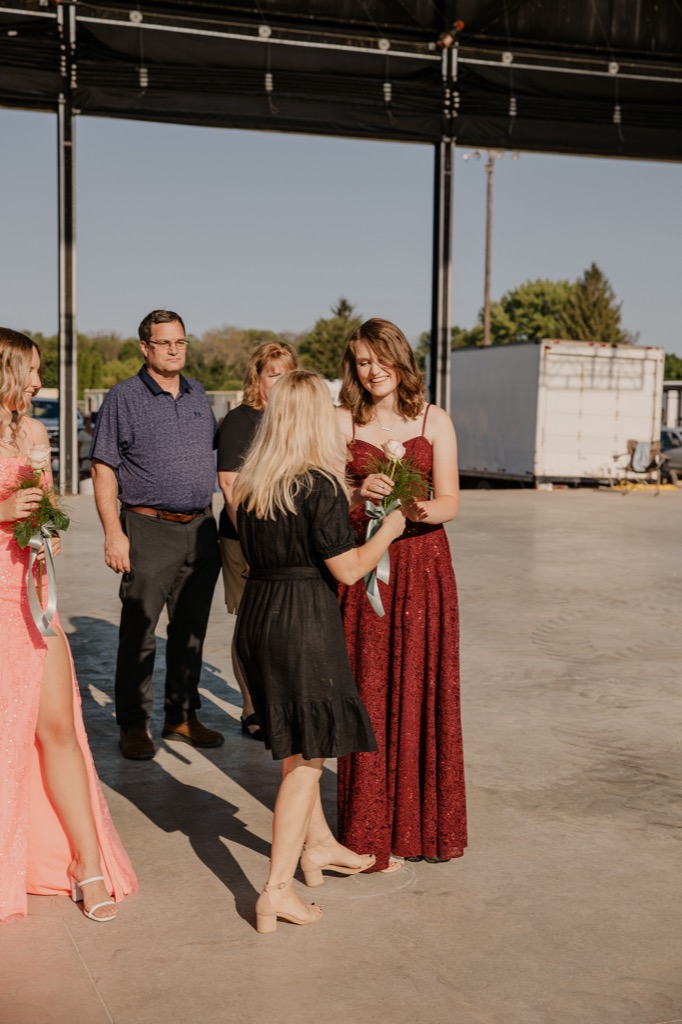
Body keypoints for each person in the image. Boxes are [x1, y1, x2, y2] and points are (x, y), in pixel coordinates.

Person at [232, 370, 405, 932]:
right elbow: (349, 569)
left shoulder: (254, 483)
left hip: (258, 616)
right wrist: (390, 530)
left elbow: (288, 535)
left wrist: (350, 498)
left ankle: (318, 849)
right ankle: (276, 891)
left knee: (296, 748)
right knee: (308, 764)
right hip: (302, 621)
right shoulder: (319, 484)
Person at [0, 328, 137, 923]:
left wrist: (47, 528)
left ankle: (87, 863)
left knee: (58, 726)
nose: (38, 382)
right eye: (31, 370)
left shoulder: (33, 434)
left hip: (32, 594)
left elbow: (48, 506)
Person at [335, 317, 467, 872]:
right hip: (367, 566)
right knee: (367, 688)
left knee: (422, 686)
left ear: (400, 358)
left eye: (380, 358)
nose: (373, 371)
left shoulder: (435, 419)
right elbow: (326, 495)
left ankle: (422, 828)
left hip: (424, 567)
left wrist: (419, 509)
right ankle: (368, 827)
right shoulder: (341, 419)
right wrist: (358, 491)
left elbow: (451, 500)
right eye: (362, 361)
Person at [89, 309, 223, 760]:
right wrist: (114, 533)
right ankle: (133, 723)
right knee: (140, 632)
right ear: (145, 347)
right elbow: (103, 467)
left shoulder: (197, 392)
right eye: (164, 342)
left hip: (201, 529)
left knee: (190, 631)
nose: (173, 350)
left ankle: (181, 716)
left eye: (180, 342)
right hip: (148, 528)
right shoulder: (123, 397)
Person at [217, 341, 299, 741]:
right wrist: (252, 542)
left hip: (290, 541)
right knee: (251, 623)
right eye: (272, 374)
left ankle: (282, 703)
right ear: (257, 377)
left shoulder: (295, 422)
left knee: (283, 623)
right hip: (245, 538)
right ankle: (251, 706)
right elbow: (229, 485)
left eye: (287, 374)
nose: (279, 382)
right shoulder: (241, 420)